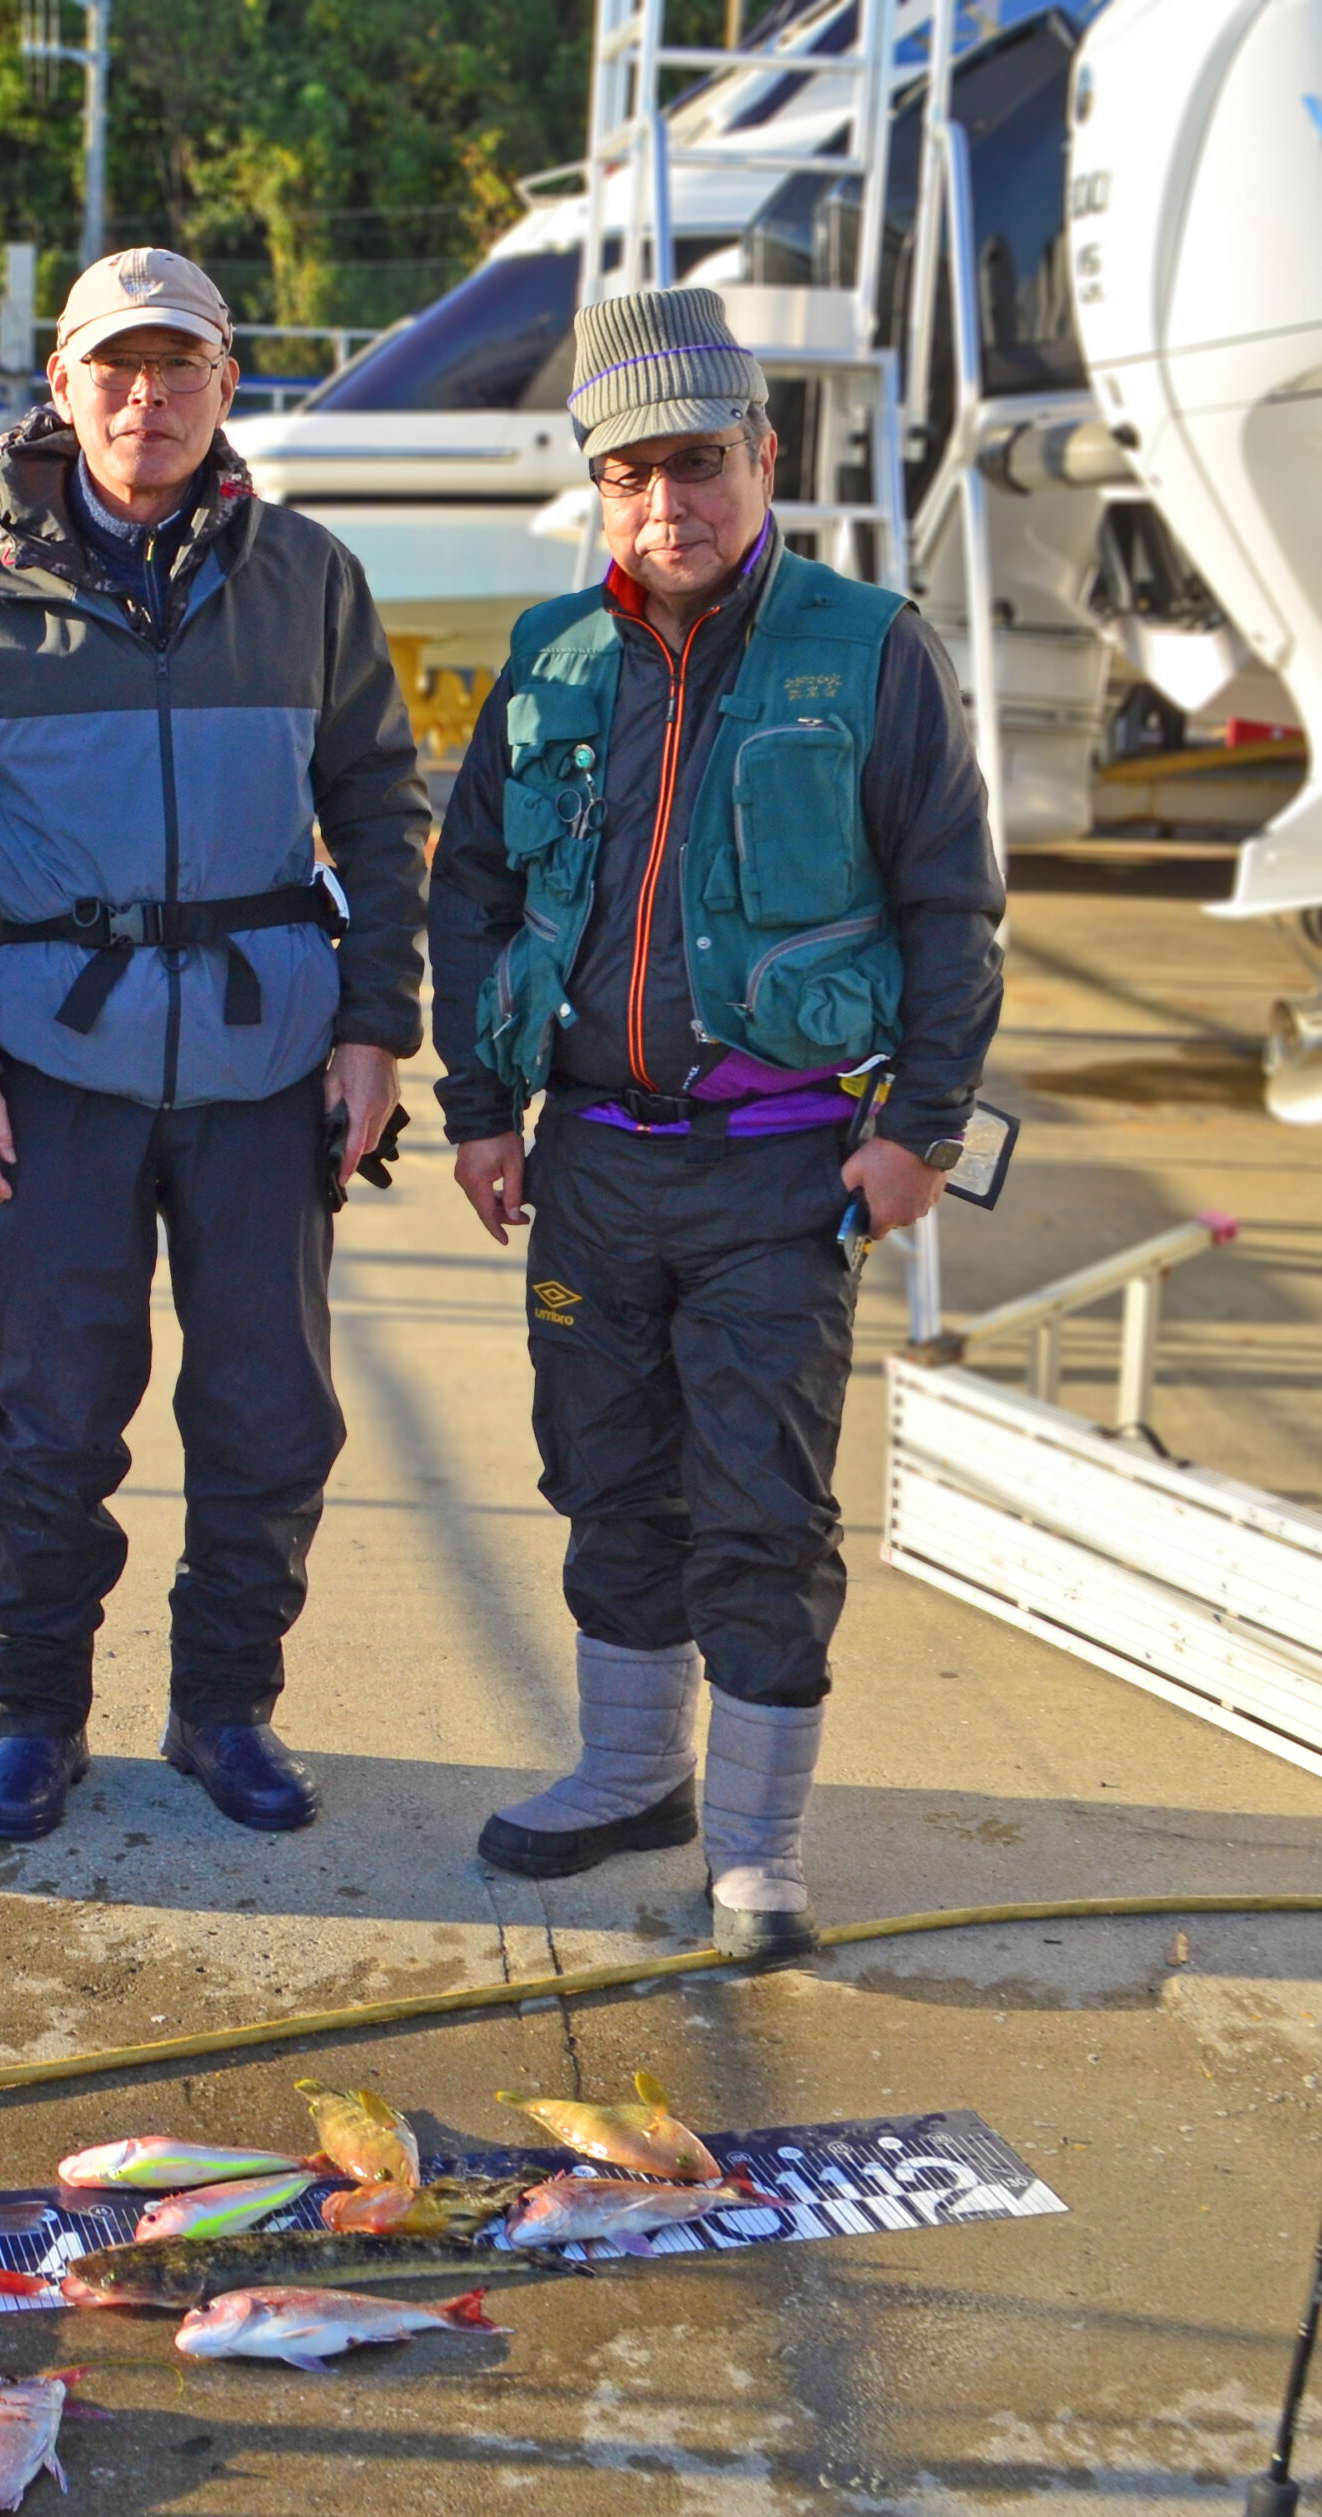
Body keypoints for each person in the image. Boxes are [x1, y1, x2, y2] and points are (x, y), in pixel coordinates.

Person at [428, 286, 1003, 1958]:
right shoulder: (550, 657)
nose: (665, 505)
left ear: (763, 458)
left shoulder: (873, 646)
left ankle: (757, 1848)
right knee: (608, 1480)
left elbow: (951, 909)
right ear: (595, 487)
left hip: (782, 1166)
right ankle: (628, 1776)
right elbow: (469, 889)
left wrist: (924, 1131)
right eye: (629, 475)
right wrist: (479, 1105)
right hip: (593, 1161)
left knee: (760, 1505)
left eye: (698, 465)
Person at [0, 247, 430, 1843]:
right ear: (62, 386)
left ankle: (226, 1708)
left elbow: (383, 810)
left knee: (269, 1415)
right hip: (51, 1076)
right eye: (115, 367)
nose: (147, 398)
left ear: (226, 386)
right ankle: (35, 1717)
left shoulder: (308, 578)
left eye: (181, 367)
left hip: (268, 1071)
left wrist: (381, 1024)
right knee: (51, 1419)